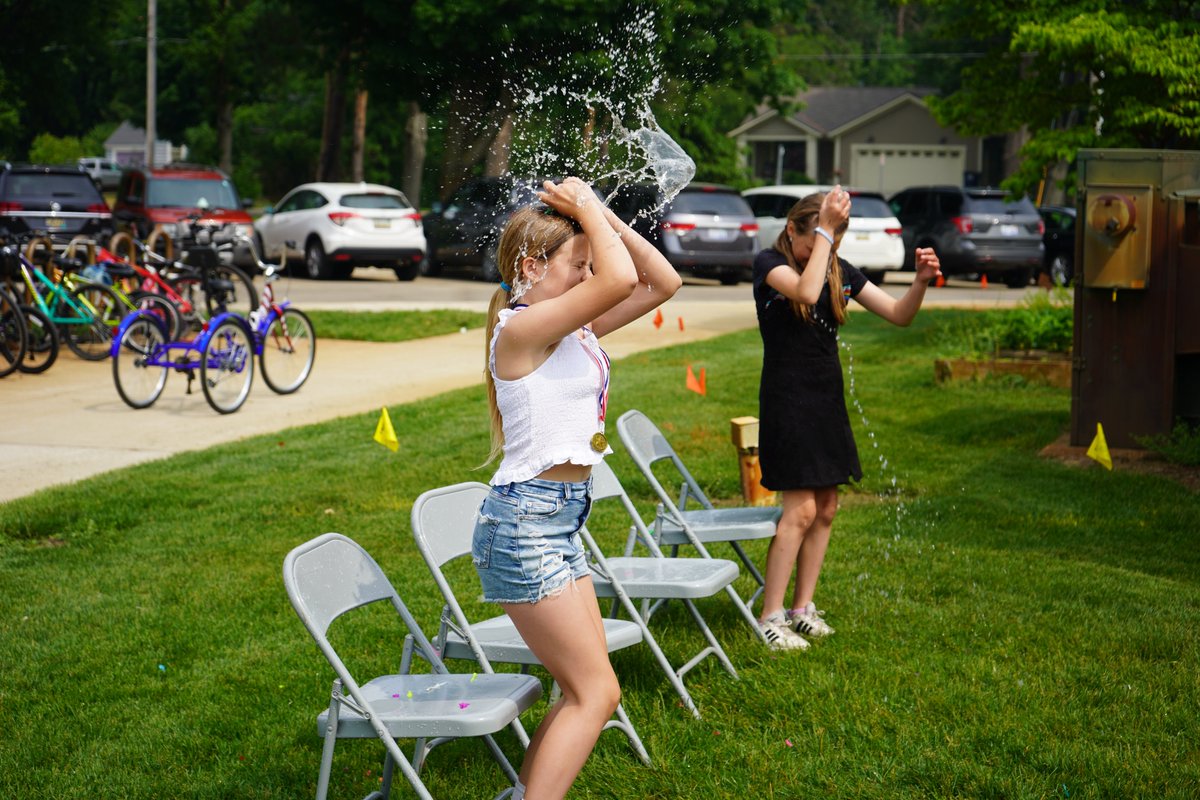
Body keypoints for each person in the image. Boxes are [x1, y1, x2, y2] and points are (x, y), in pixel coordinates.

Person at [475, 177, 681, 800]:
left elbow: (661, 282)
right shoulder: (520, 331)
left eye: (591, 266)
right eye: (579, 267)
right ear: (531, 267)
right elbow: (619, 281)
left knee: (584, 690)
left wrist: (602, 215)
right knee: (598, 693)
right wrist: (586, 208)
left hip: (558, 521)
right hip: (525, 526)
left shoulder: (571, 330)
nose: (592, 276)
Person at [751, 187, 941, 650]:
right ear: (794, 229)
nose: (825, 250)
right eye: (817, 238)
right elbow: (805, 290)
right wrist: (823, 235)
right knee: (800, 511)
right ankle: (769, 615)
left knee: (828, 509)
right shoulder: (768, 264)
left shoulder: (837, 269)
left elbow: (898, 315)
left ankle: (801, 609)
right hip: (789, 402)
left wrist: (917, 282)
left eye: (833, 241)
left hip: (825, 403)